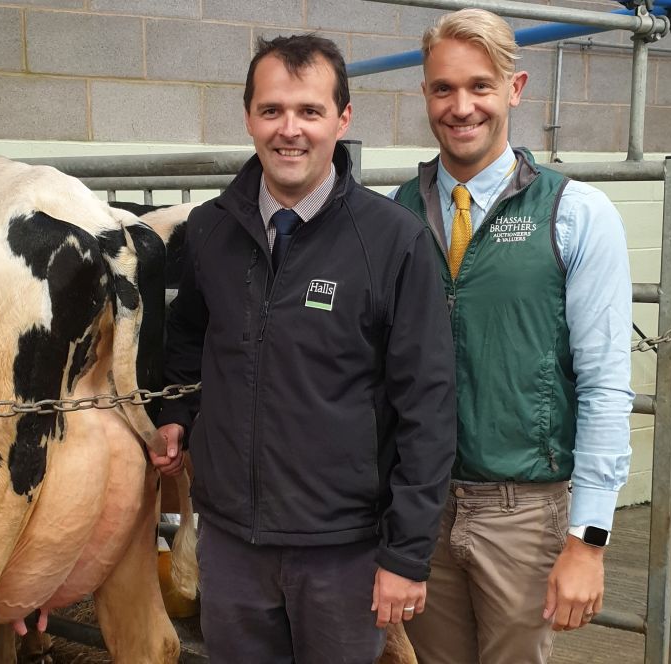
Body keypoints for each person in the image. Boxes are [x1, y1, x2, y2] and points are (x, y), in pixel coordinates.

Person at [150, 33, 456, 664]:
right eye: (272, 110)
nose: (289, 130)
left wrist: (405, 556)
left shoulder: (394, 242)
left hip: (343, 552)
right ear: (248, 117)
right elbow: (187, 333)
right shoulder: (210, 229)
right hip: (232, 546)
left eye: (310, 111)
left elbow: (427, 406)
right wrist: (176, 414)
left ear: (342, 119)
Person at [392, 9, 634, 664]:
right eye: (444, 88)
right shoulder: (396, 213)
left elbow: (607, 385)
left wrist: (587, 539)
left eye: (480, 86)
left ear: (515, 88)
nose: (461, 106)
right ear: (425, 94)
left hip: (523, 515)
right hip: (419, 508)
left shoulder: (577, 214)